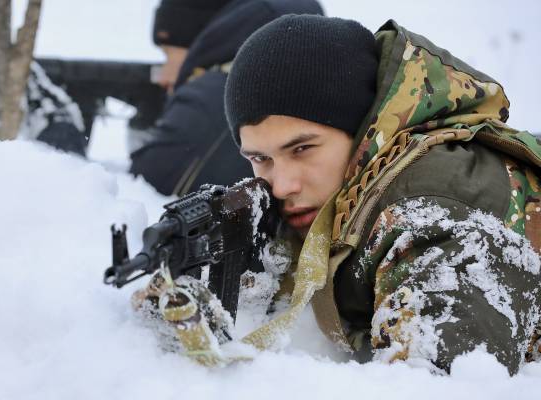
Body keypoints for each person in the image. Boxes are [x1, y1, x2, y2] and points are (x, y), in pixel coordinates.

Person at [137, 14, 541, 375]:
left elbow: (436, 384)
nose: (282, 185)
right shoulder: (354, 189)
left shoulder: (435, 211)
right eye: (261, 158)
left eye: (302, 149)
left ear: (365, 129)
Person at [129, 0, 323, 197]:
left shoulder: (213, 100)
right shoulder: (312, 66)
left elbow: (141, 189)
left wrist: (141, 129)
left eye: (169, 54)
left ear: (206, 38)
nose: (163, 77)